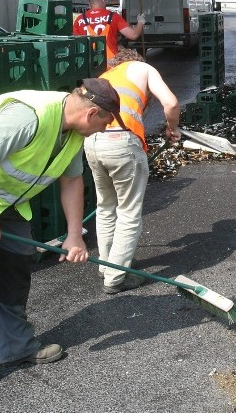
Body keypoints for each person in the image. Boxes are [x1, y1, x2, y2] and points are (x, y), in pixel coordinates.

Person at [0, 79, 127, 413]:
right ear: (92, 112)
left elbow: (72, 180)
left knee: (14, 271)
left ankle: (17, 347)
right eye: (105, 123)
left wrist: (74, 234)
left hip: (5, 201)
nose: (102, 131)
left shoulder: (73, 134)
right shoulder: (30, 118)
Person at [84, 48, 181, 294]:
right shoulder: (143, 68)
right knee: (128, 212)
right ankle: (116, 278)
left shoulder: (107, 75)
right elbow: (170, 103)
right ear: (135, 60)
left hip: (93, 142)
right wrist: (173, 128)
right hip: (122, 144)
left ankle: (107, 266)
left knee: (105, 207)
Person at [73, 0, 146, 62]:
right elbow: (133, 35)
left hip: (88, 64)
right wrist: (140, 22)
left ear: (89, 3)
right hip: (110, 63)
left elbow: (75, 43)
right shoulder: (113, 16)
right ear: (104, 0)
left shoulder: (79, 19)